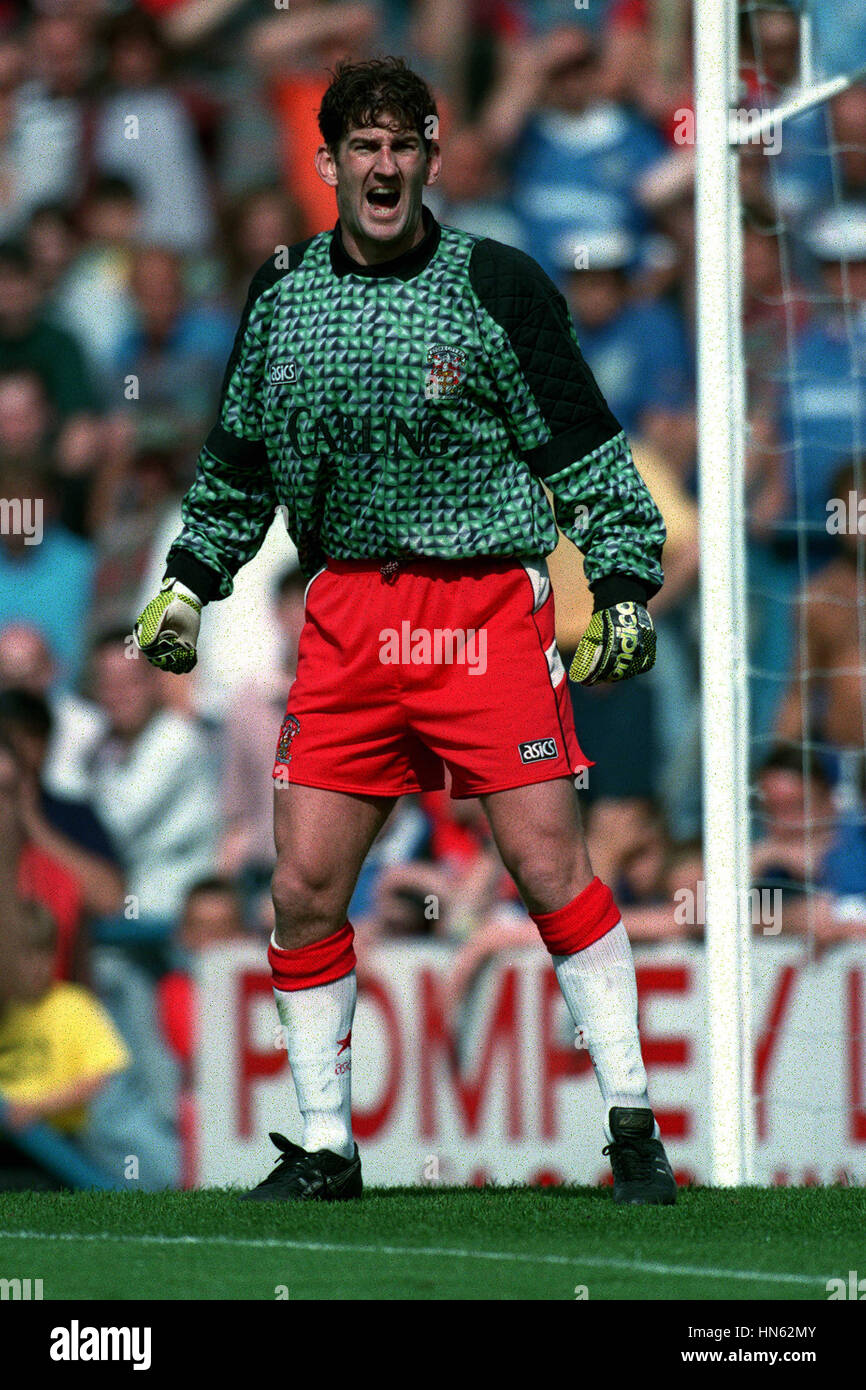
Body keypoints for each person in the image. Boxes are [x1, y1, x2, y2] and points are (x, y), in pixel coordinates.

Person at [134, 57, 676, 1206]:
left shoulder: (500, 284)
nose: (383, 167)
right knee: (302, 887)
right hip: (344, 615)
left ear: (430, 156)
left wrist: (623, 581)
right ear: (325, 163)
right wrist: (190, 581)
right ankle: (327, 1146)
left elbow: (584, 454)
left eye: (404, 144)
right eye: (361, 147)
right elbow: (235, 462)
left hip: (479, 604)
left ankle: (632, 1125)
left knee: (542, 862)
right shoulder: (279, 290)